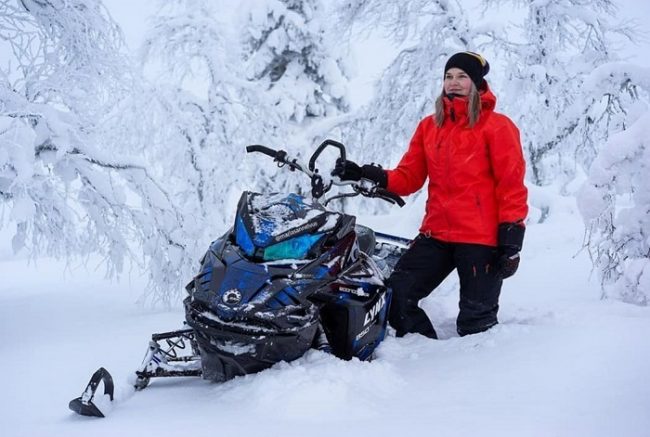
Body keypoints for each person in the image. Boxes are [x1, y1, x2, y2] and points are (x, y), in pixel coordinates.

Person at [332, 51, 528, 338]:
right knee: (397, 296)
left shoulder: (497, 127)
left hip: (481, 240)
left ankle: (480, 375)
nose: (454, 82)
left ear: (477, 83)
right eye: (449, 76)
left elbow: (511, 184)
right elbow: (408, 177)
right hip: (437, 235)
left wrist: (511, 239)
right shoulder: (430, 126)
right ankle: (424, 355)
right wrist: (364, 172)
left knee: (476, 322)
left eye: (462, 76)